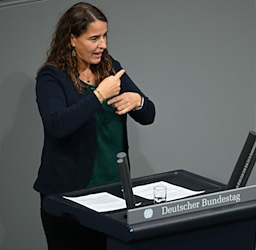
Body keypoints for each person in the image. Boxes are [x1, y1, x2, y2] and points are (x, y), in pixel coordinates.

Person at [33, 2, 155, 249]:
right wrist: (99, 96)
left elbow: (148, 115)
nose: (103, 45)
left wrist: (137, 100)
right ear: (72, 40)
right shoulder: (52, 77)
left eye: (105, 36)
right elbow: (58, 125)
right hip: (68, 196)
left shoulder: (111, 67)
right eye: (94, 38)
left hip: (114, 192)